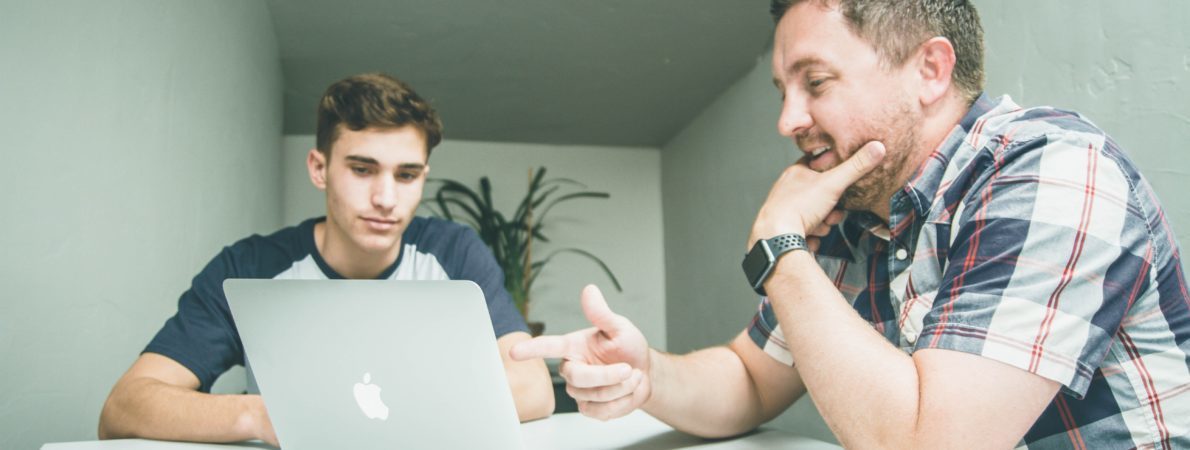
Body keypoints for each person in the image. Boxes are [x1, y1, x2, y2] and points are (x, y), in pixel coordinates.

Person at [511, 1, 1190, 448]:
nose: (788, 121)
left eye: (816, 81)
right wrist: (648, 373)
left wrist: (781, 248)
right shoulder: (856, 215)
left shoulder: (1052, 172)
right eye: (784, 91)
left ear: (929, 69)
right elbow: (750, 379)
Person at [98, 73, 554, 446]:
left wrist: (360, 411)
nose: (386, 198)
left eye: (407, 175)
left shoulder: (453, 252)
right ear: (319, 168)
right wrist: (262, 416)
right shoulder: (250, 266)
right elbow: (124, 406)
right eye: (362, 169)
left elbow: (534, 388)